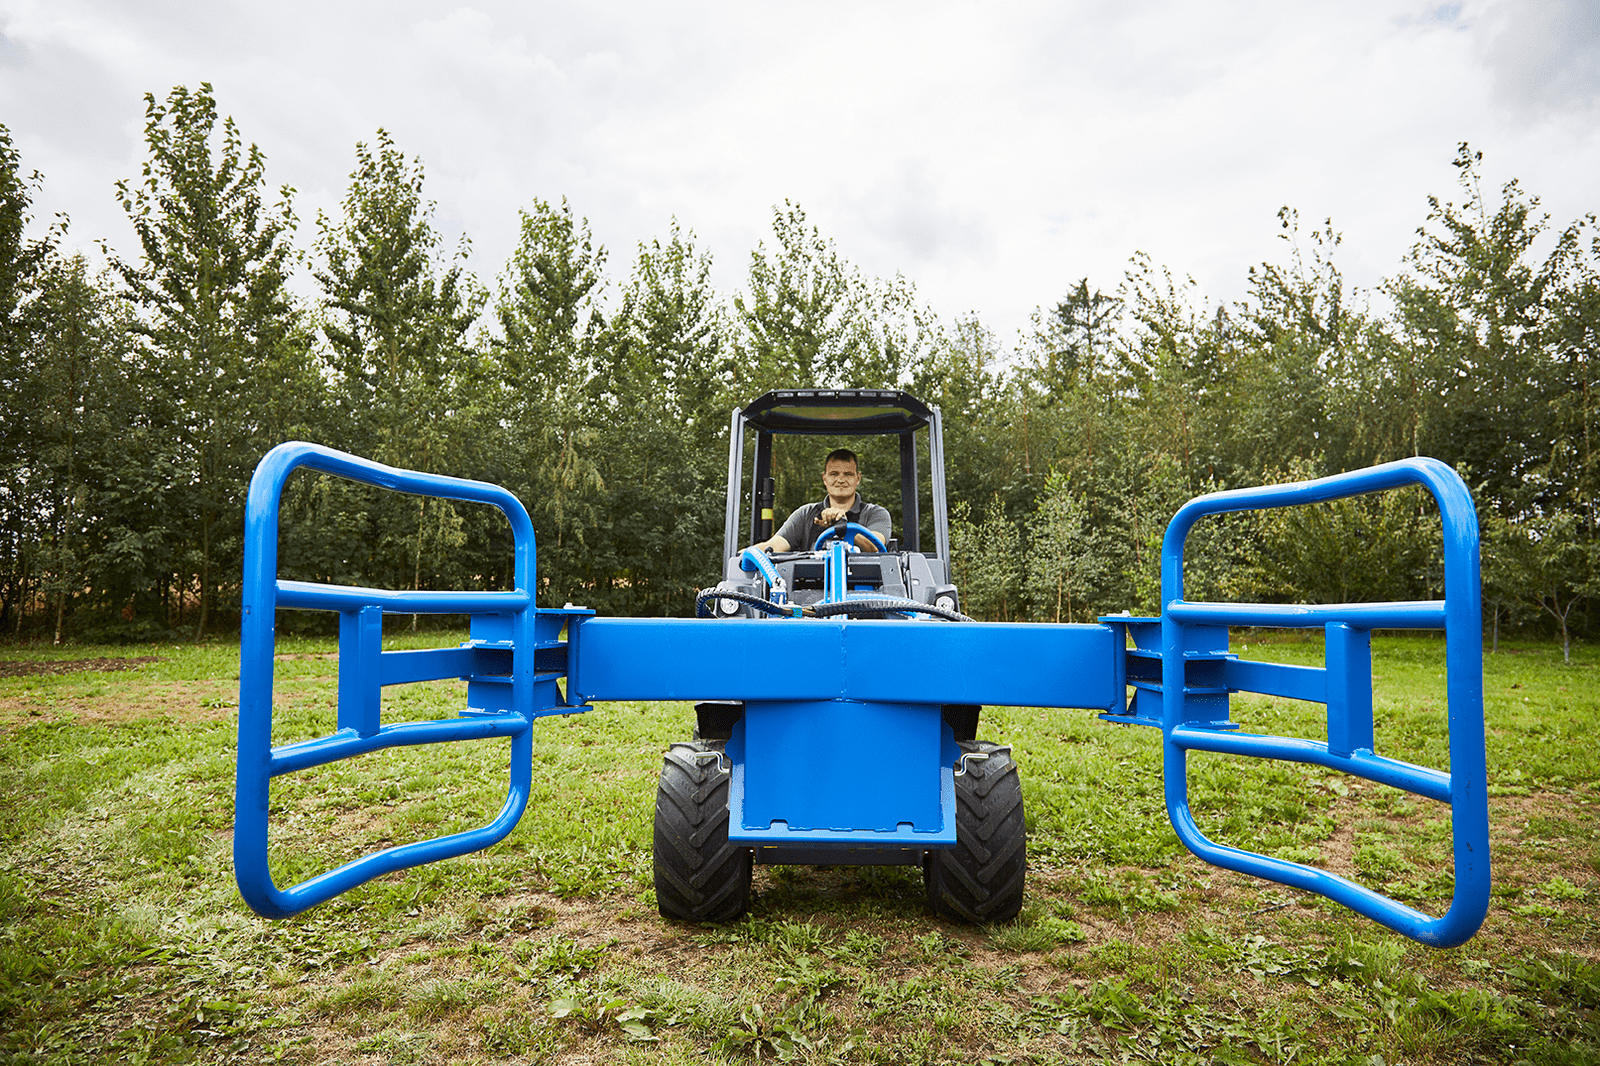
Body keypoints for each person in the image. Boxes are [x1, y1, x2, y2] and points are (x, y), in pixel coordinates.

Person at [754, 448, 891, 554]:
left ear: (858, 478)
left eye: (848, 474)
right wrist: (747, 553)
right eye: (834, 474)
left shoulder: (876, 514)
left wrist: (842, 526)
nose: (841, 480)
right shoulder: (805, 514)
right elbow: (775, 545)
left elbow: (875, 546)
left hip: (863, 583)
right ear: (824, 478)